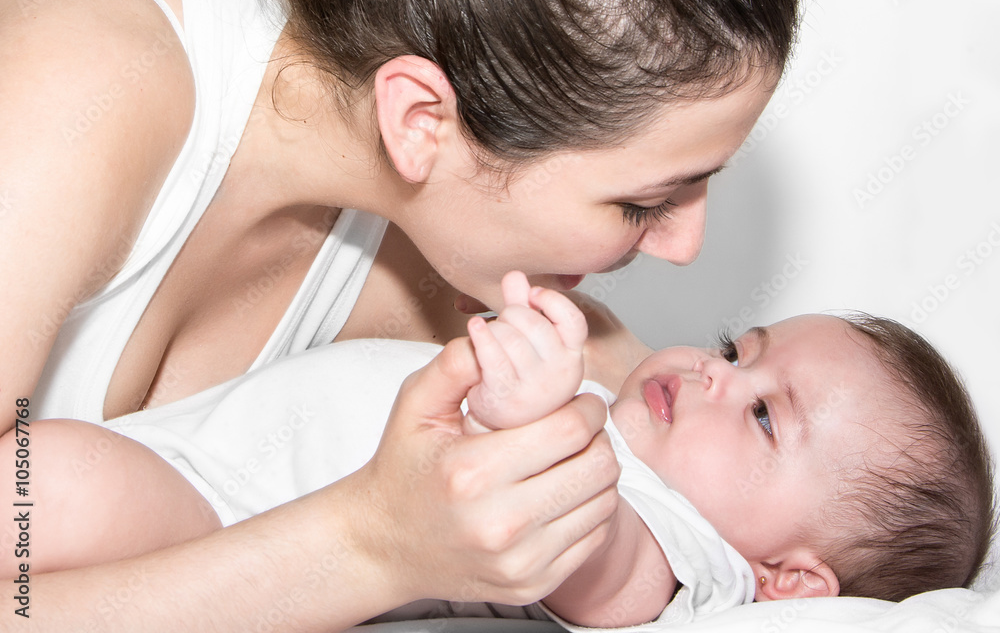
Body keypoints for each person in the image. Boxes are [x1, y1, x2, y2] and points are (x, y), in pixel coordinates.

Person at [0, 0, 803, 625]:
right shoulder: (62, 99)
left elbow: (733, 536)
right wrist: (369, 546)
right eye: (644, 200)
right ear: (422, 119)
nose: (686, 247)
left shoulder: (461, 295)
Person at [7, 275, 993, 628]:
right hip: (210, 460)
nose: (712, 375)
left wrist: (531, 423)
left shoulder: (681, 554)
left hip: (231, 517)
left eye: (764, 416)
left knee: (54, 480)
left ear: (789, 582)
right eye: (739, 351)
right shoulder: (616, 415)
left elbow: (596, 566)